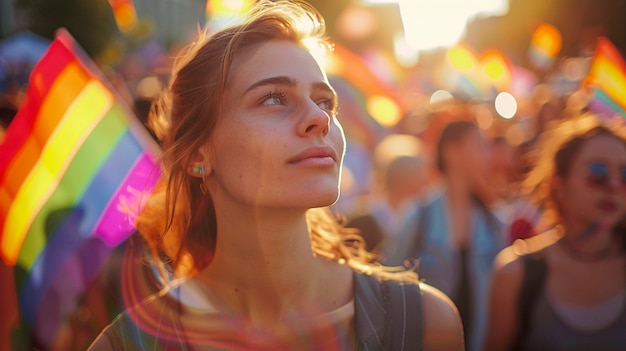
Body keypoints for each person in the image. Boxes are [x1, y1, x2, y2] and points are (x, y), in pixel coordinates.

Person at [89, 1, 463, 350]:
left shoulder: (425, 324)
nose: (320, 118)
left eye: (324, 101)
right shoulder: (127, 343)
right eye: (274, 98)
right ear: (199, 154)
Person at [485, 114, 626, 351]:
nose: (614, 185)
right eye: (598, 171)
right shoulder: (517, 274)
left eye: (624, 174)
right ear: (558, 184)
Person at [403, 120, 504, 351]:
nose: (486, 154)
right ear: (451, 152)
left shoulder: (492, 219)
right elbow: (388, 280)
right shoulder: (419, 216)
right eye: (479, 145)